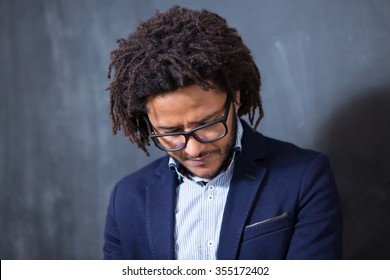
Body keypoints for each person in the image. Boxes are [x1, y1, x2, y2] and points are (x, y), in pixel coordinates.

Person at [103, 5, 342, 260]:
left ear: (235, 99)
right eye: (170, 132)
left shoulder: (305, 177)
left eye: (206, 125)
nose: (193, 149)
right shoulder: (126, 199)